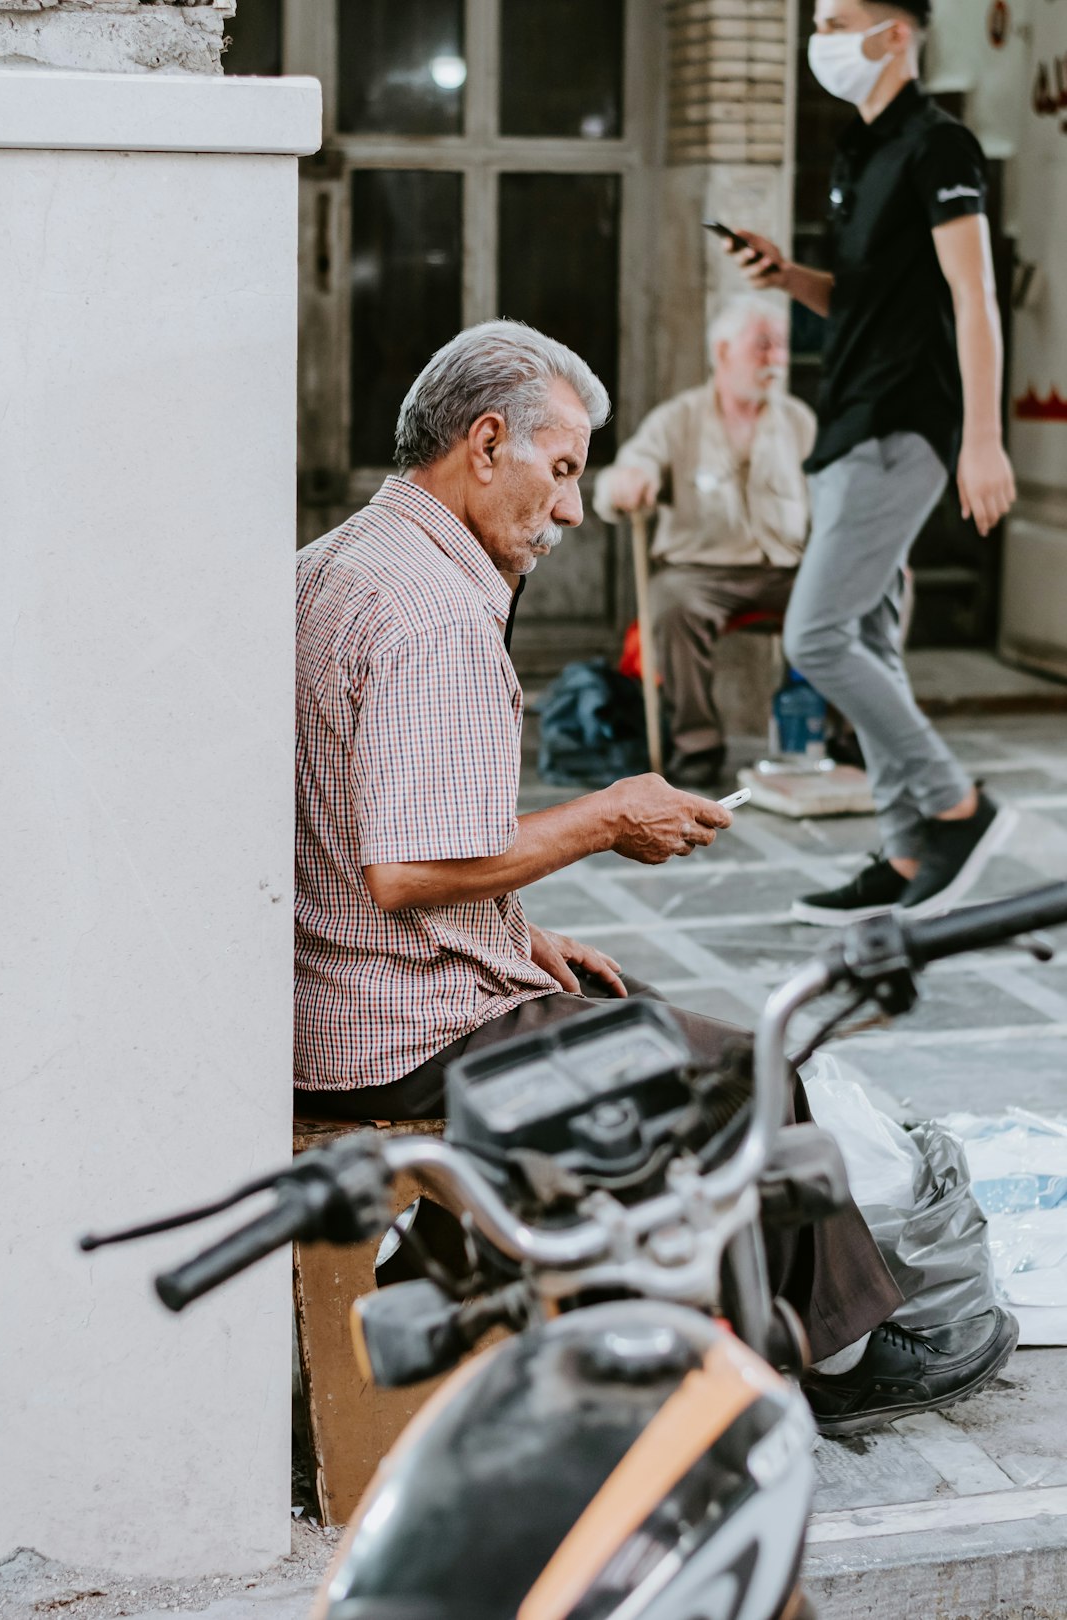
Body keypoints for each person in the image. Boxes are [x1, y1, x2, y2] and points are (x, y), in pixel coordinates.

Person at [295, 318, 1016, 1433]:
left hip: (338, 995)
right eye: (563, 469)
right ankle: (824, 1363)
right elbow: (401, 871)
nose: (574, 509)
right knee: (746, 1076)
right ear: (486, 444)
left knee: (636, 1012)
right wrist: (605, 815)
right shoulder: (434, 614)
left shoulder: (340, 561)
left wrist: (515, 932)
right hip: (394, 1035)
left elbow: (353, 827)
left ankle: (633, 1330)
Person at [728, 0, 1017, 926]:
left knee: (816, 636)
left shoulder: (941, 148)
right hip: (848, 423)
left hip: (907, 423)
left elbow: (975, 298)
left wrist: (981, 439)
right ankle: (901, 854)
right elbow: (859, 298)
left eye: (840, 20)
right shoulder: (859, 151)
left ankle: (955, 805)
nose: (822, 39)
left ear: (896, 32)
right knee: (869, 641)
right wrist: (787, 278)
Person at [593, 296, 816, 788]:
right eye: (762, 346)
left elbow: (830, 495)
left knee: (854, 593)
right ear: (722, 351)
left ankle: (842, 737)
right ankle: (697, 745)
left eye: (781, 347)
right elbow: (623, 475)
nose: (775, 358)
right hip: (701, 572)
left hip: (787, 568)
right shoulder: (679, 419)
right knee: (670, 602)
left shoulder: (798, 421)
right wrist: (629, 482)